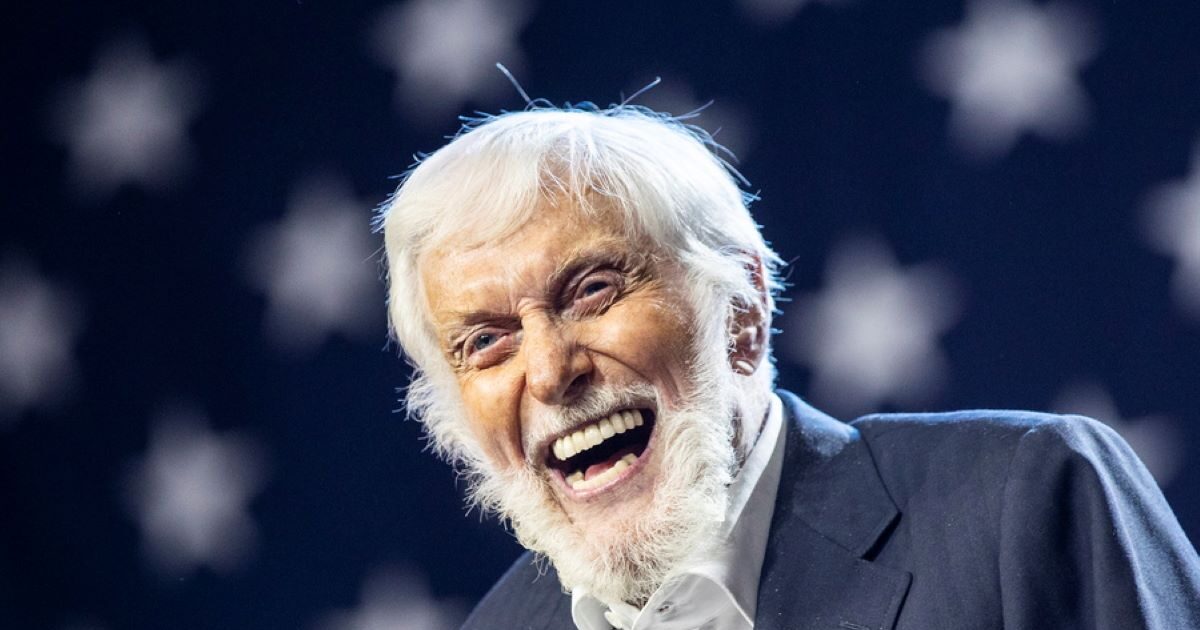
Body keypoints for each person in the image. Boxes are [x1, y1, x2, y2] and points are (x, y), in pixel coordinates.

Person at [377, 104, 1200, 630]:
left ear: (741, 310)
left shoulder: (1024, 504)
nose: (551, 372)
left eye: (592, 291)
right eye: (485, 342)